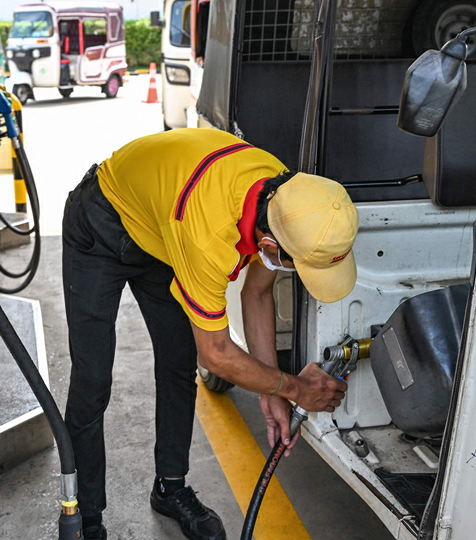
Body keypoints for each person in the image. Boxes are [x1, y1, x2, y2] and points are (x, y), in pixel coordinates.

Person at [62, 128, 358, 540]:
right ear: (272, 245)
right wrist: (294, 388)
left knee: (177, 363)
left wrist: (271, 391)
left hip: (161, 235)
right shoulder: (209, 234)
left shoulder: (286, 198)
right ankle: (85, 519)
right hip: (102, 224)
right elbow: (216, 354)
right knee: (92, 382)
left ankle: (170, 487)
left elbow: (257, 292)